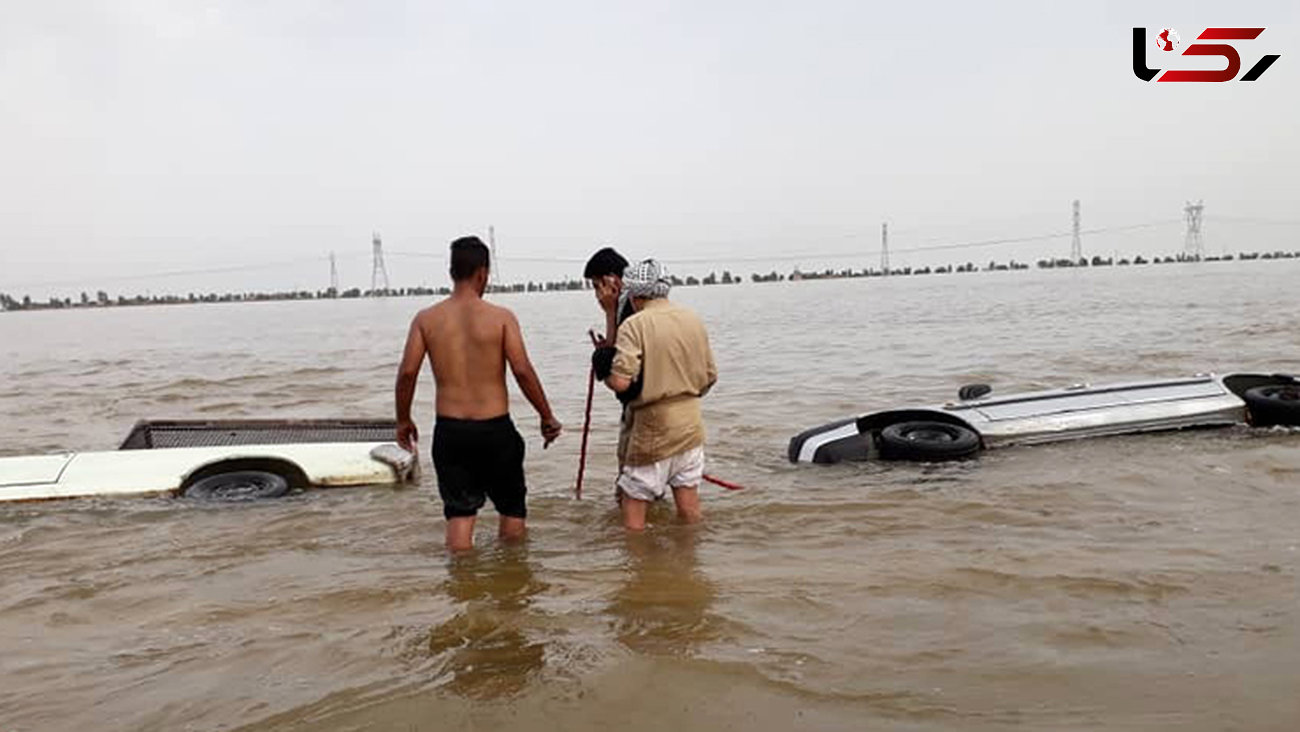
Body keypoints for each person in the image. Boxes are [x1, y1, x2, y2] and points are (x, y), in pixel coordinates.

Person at [395, 236, 563, 551]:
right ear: (483, 273)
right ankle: (510, 581)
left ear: (451, 271)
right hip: (495, 430)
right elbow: (522, 370)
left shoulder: (426, 319)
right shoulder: (501, 318)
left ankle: (463, 587)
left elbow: (407, 373)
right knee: (512, 509)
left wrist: (403, 419)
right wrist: (546, 416)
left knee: (459, 515)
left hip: (451, 431)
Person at [595, 259, 717, 531]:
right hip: (692, 428)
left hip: (653, 429)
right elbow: (709, 377)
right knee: (689, 511)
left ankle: (640, 570)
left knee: (633, 512)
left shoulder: (635, 325)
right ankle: (691, 567)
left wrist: (602, 365)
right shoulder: (692, 318)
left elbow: (621, 383)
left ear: (635, 296)